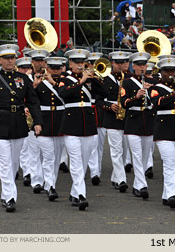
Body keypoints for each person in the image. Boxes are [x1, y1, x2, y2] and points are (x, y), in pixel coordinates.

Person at [0, 44, 43, 212]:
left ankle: (6, 194)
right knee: (4, 162)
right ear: (0, 60)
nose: (10, 61)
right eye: (7, 58)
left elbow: (33, 102)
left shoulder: (23, 79)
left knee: (14, 163)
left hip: (18, 122)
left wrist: (38, 122)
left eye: (12, 58)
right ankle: (10, 197)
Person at [59, 49, 107, 210]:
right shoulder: (65, 78)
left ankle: (74, 193)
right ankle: (81, 195)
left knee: (84, 161)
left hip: (87, 123)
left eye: (82, 62)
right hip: (71, 123)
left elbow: (105, 93)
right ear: (70, 63)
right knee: (76, 162)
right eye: (77, 62)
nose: (80, 65)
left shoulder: (90, 80)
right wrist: (80, 82)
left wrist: (96, 80)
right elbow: (63, 94)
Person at [149, 56, 175, 209]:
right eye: (167, 71)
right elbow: (157, 104)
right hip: (163, 128)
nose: (171, 73)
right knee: (169, 162)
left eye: (173, 70)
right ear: (161, 72)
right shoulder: (155, 87)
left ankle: (167, 195)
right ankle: (172, 193)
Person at [120, 52, 155, 199]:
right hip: (133, 121)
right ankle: (142, 185)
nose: (141, 68)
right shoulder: (127, 82)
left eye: (144, 65)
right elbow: (124, 103)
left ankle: (136, 184)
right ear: (133, 66)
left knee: (145, 156)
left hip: (148, 120)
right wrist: (137, 96)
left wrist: (150, 92)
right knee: (137, 155)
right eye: (139, 65)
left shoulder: (153, 81)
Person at [35, 56, 67, 201]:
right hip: (44, 121)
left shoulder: (65, 82)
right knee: (48, 156)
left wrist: (54, 82)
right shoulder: (39, 81)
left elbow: (66, 96)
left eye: (57, 68)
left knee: (56, 158)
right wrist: (35, 87)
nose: (55, 71)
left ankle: (50, 183)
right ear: (47, 68)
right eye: (52, 68)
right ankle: (50, 186)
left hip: (60, 121)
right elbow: (31, 102)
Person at [102, 51, 132, 193]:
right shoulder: (105, 78)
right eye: (117, 63)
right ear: (112, 63)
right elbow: (97, 99)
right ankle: (121, 179)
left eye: (123, 62)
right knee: (116, 150)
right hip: (112, 116)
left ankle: (115, 177)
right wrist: (109, 105)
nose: (120, 65)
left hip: (128, 116)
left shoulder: (131, 78)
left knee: (125, 150)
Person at [26, 49, 50, 194]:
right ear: (32, 62)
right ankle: (36, 181)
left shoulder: (50, 77)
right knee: (34, 150)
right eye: (37, 61)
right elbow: (24, 97)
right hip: (33, 116)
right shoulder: (26, 78)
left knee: (47, 153)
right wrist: (34, 85)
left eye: (42, 61)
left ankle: (48, 180)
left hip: (48, 116)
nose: (40, 63)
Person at [86, 52, 106, 186]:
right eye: (92, 63)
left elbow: (105, 92)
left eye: (96, 63)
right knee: (91, 144)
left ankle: (96, 170)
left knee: (99, 144)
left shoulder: (103, 77)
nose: (94, 66)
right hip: (87, 110)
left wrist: (96, 79)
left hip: (99, 110)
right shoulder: (82, 77)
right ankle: (94, 171)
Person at [16, 57, 33, 186]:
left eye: (28, 68)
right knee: (23, 146)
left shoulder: (35, 78)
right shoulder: (16, 80)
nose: (26, 70)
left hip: (33, 115)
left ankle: (30, 171)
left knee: (32, 147)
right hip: (20, 114)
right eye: (23, 68)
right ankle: (26, 172)